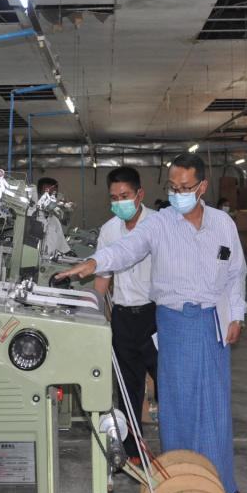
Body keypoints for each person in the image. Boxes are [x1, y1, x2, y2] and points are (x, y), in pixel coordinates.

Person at [56, 153, 247, 493]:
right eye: (172, 187)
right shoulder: (160, 224)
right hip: (173, 324)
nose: (177, 194)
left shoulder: (223, 224)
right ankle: (183, 489)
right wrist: (94, 263)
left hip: (214, 322)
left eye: (185, 187)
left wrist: (237, 314)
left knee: (214, 409)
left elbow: (236, 272)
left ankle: (222, 488)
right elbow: (126, 249)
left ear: (202, 187)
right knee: (177, 409)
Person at [93, 167, 158, 465]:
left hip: (156, 316)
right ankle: (133, 451)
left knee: (166, 383)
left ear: (139, 194)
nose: (119, 202)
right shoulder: (109, 230)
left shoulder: (158, 225)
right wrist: (94, 317)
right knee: (127, 388)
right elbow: (102, 278)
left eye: (125, 196)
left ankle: (177, 448)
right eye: (114, 197)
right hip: (123, 318)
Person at [36, 177, 71, 257]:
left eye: (54, 195)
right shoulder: (29, 219)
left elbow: (63, 248)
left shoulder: (54, 221)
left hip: (49, 262)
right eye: (47, 194)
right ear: (39, 194)